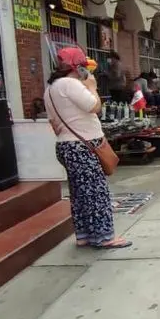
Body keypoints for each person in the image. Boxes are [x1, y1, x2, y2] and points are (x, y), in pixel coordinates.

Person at [45, 46, 130, 249]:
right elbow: (94, 107)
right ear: (78, 67)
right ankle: (104, 236)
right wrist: (92, 86)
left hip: (66, 145)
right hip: (83, 146)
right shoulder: (70, 85)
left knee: (79, 194)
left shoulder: (50, 88)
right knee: (96, 192)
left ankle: (83, 234)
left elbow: (54, 124)